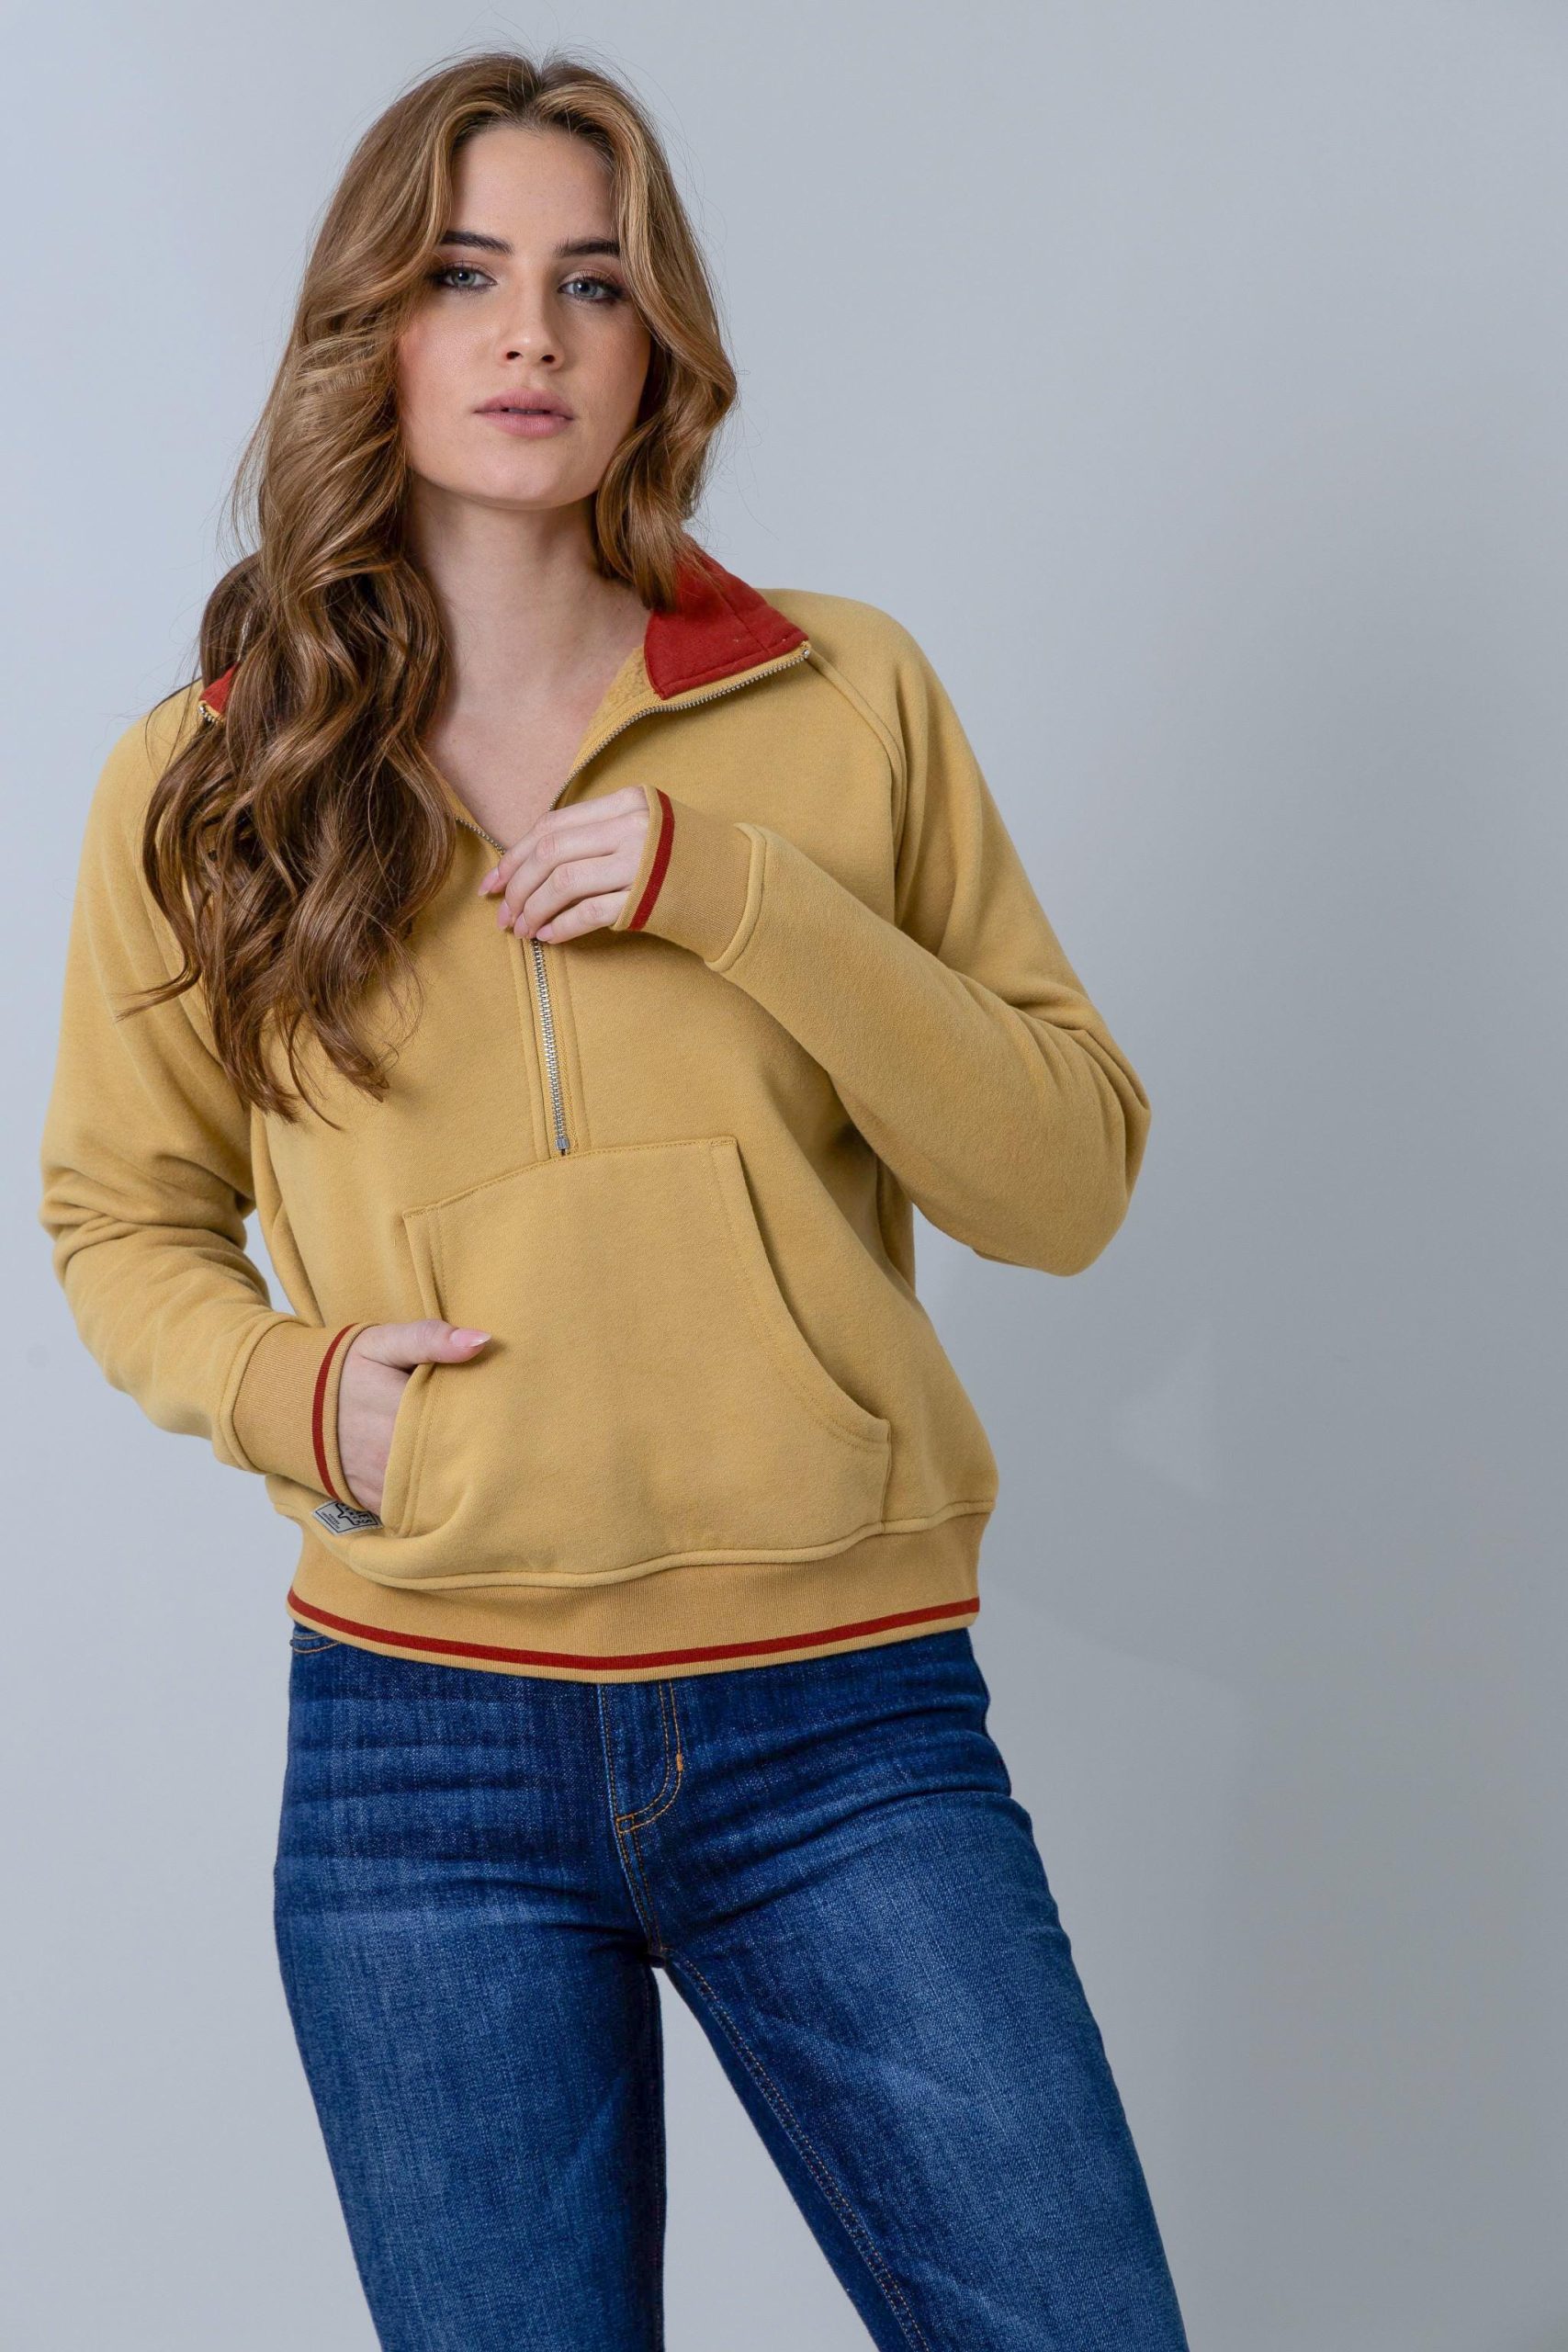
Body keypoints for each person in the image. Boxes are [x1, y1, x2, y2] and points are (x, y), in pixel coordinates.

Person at [38, 44, 1190, 2352]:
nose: (531, 335)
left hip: (843, 1726)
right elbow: (118, 1215)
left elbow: (1061, 1179)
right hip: (419, 1756)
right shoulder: (214, 771)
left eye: (592, 280)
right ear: (371, 326)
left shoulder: (841, 696)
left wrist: (743, 895)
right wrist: (296, 1392)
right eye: (464, 276)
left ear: (661, 340)